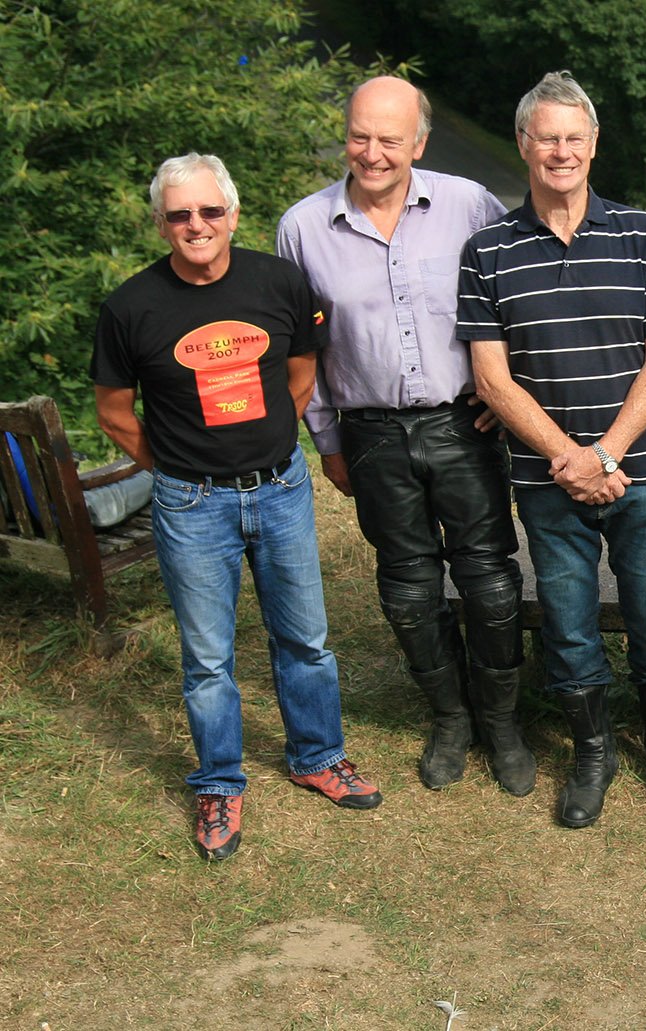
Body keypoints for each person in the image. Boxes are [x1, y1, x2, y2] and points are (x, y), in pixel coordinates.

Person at [93, 153, 381, 862]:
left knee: (306, 639)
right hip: (191, 503)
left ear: (233, 214)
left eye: (209, 210)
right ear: (160, 223)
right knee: (208, 658)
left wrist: (272, 439)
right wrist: (176, 467)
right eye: (180, 214)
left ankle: (317, 756)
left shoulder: (279, 282)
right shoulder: (130, 307)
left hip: (280, 489)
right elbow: (114, 413)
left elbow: (303, 373)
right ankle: (219, 781)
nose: (197, 225)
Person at [460, 71, 646, 828]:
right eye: (547, 138)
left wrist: (606, 453)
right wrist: (569, 457)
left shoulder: (642, 234)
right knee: (568, 625)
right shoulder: (486, 250)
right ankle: (593, 752)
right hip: (547, 481)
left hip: (644, 472)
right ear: (523, 144)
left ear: (594, 144)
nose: (561, 151)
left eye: (574, 137)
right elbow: (491, 379)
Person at [277, 76, 533, 796]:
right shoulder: (303, 227)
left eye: (389, 139)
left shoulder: (468, 203)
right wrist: (327, 440)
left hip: (463, 423)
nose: (373, 153)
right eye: (360, 136)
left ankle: (502, 722)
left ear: (418, 143)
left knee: (488, 580)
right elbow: (302, 348)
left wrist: (509, 392)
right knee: (409, 587)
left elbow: (514, 294)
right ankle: (450, 717)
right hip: (371, 434)